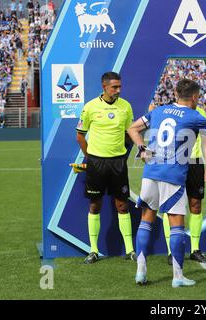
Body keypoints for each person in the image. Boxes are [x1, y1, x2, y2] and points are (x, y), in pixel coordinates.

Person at [127, 79, 206, 287]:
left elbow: (133, 128)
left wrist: (142, 149)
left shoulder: (159, 111)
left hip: (150, 171)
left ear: (176, 93)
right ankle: (178, 277)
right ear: (194, 97)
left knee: (146, 220)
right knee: (176, 225)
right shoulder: (194, 116)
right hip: (173, 174)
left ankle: (140, 271)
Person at [76, 72, 135, 264]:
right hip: (96, 163)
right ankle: (93, 250)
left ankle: (130, 250)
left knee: (122, 205)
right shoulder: (90, 107)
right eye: (114, 87)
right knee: (95, 205)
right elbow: (79, 135)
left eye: (119, 87)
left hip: (118, 162)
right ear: (104, 87)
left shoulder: (125, 106)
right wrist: (89, 158)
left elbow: (130, 133)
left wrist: (124, 150)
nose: (118, 90)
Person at [150, 104, 206, 265]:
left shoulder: (200, 112)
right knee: (170, 206)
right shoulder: (170, 111)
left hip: (195, 163)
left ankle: (195, 249)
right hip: (174, 162)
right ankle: (172, 252)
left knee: (196, 205)